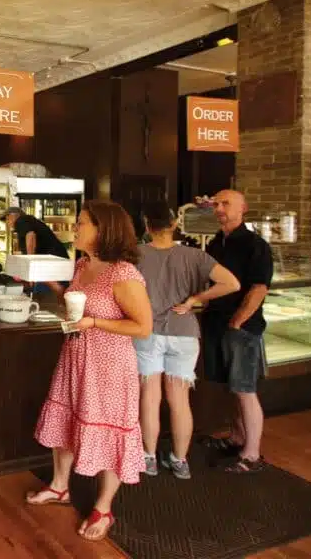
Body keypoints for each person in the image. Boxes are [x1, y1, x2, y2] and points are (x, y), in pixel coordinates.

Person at [27, 200, 153, 542]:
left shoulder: (123, 273)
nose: (75, 228)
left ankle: (103, 507)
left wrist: (93, 321)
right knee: (65, 422)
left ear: (103, 230)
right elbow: (76, 299)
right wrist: (48, 284)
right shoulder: (83, 264)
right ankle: (59, 486)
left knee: (110, 432)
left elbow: (143, 327)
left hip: (109, 366)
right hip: (76, 357)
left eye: (81, 223)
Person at [135, 201, 240, 480]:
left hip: (148, 333)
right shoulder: (196, 256)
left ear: (147, 227)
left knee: (150, 397)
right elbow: (232, 283)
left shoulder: (135, 255)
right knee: (179, 400)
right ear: (174, 225)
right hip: (185, 333)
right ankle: (180, 460)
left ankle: (148, 458)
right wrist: (195, 299)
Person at [201, 189, 274, 474]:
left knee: (244, 389)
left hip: (241, 329)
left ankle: (252, 455)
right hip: (217, 324)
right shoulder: (217, 243)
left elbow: (259, 288)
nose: (219, 208)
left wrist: (237, 322)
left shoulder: (255, 245)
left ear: (243, 208)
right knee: (233, 389)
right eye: (216, 204)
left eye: (225, 203)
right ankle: (237, 438)